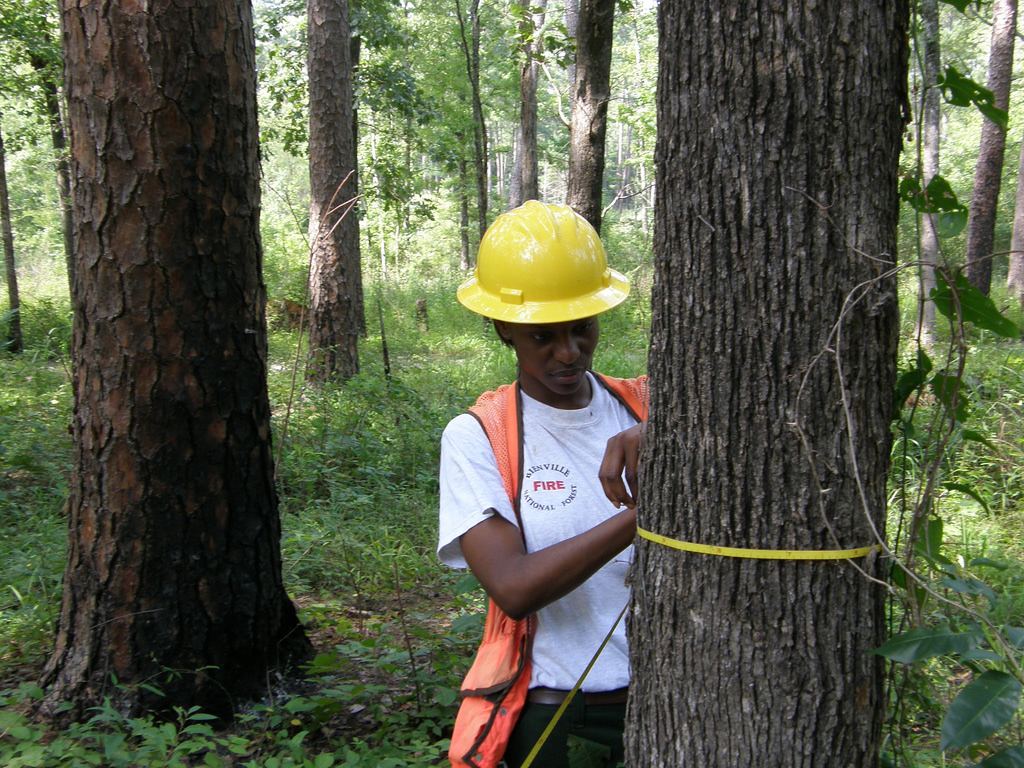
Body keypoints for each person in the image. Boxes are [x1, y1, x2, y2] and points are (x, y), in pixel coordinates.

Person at [438, 201, 647, 768]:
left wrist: (660, 436)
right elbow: (514, 586)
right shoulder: (480, 438)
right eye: (542, 336)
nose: (568, 352)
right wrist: (644, 514)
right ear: (503, 328)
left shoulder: (641, 407)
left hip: (672, 698)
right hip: (569, 714)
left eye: (582, 329)